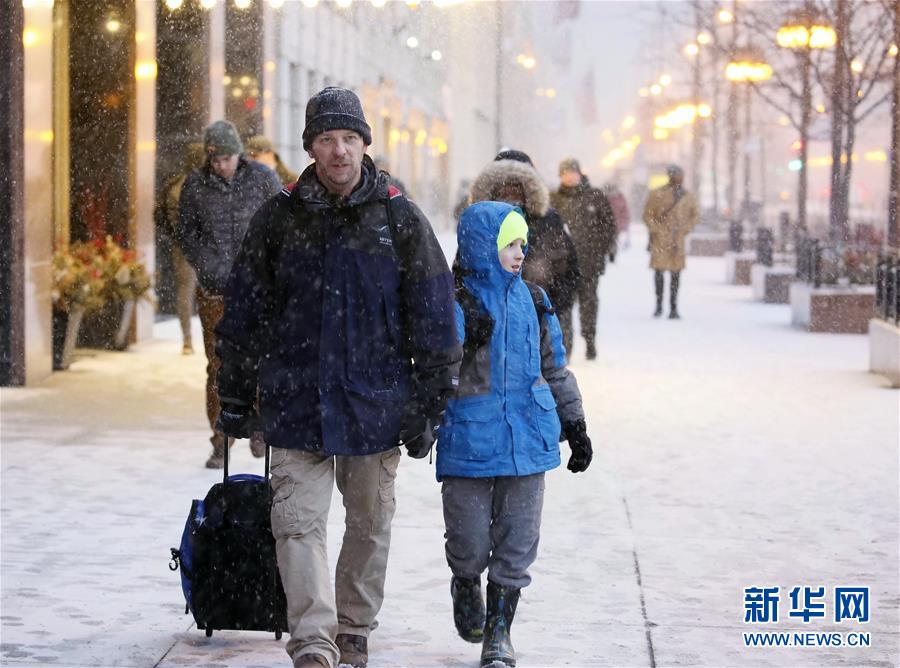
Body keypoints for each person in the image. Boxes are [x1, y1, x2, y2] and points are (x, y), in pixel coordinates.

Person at [213, 87, 462, 668]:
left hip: (375, 404)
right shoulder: (278, 218)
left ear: (364, 144)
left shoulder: (398, 218)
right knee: (296, 524)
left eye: (349, 138)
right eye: (327, 139)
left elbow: (433, 312)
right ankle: (313, 642)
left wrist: (431, 403)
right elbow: (245, 312)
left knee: (369, 524)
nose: (339, 151)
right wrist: (234, 395)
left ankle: (353, 627)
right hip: (295, 401)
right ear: (310, 147)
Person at [438, 200, 592, 668]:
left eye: (523, 243)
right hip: (470, 440)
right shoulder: (456, 300)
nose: (520, 252)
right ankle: (465, 582)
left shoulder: (536, 300)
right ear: (486, 245)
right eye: (510, 243)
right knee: (467, 541)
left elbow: (555, 368)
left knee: (518, 541)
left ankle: (499, 635)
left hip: (529, 439)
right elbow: (435, 366)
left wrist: (575, 422)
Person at [176, 120, 282, 468]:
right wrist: (208, 265)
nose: (221, 165)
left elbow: (281, 223)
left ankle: (259, 428)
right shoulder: (195, 185)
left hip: (258, 291)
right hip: (215, 290)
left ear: (239, 153)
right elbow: (186, 232)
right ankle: (221, 438)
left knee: (262, 361)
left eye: (227, 158)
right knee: (219, 366)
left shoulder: (263, 179)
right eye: (215, 159)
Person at [468, 149, 580, 356]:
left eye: (517, 187)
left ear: (530, 188)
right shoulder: (479, 223)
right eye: (504, 187)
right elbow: (463, 274)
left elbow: (568, 272)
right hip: (487, 334)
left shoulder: (549, 221)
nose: (510, 194)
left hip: (537, 327)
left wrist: (550, 312)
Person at [550, 158, 617, 360]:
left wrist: (602, 248)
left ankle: (589, 340)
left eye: (572, 172)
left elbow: (609, 225)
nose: (569, 176)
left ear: (580, 174)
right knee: (563, 306)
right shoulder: (553, 199)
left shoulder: (594, 196)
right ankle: (566, 346)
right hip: (561, 266)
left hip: (589, 262)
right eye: (565, 173)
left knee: (589, 303)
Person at [154, 142, 205, 355]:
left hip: (181, 247)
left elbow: (159, 215)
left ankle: (187, 339)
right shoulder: (202, 185)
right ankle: (208, 335)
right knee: (209, 293)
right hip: (204, 247)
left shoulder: (174, 184)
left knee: (185, 292)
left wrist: (175, 235)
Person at [642, 164, 699, 319]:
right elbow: (648, 215)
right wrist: (657, 229)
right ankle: (659, 305)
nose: (678, 178)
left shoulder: (688, 196)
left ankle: (673, 307)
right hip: (660, 240)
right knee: (658, 273)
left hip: (677, 240)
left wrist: (684, 229)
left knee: (676, 275)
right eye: (676, 175)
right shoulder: (657, 194)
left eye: (680, 175)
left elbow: (695, 216)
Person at [602, 181, 631, 250]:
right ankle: (610, 251)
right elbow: (625, 211)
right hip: (608, 223)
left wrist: (623, 222)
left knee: (612, 239)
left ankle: (612, 251)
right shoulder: (603, 197)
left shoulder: (619, 197)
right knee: (610, 239)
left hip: (614, 223)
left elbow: (624, 211)